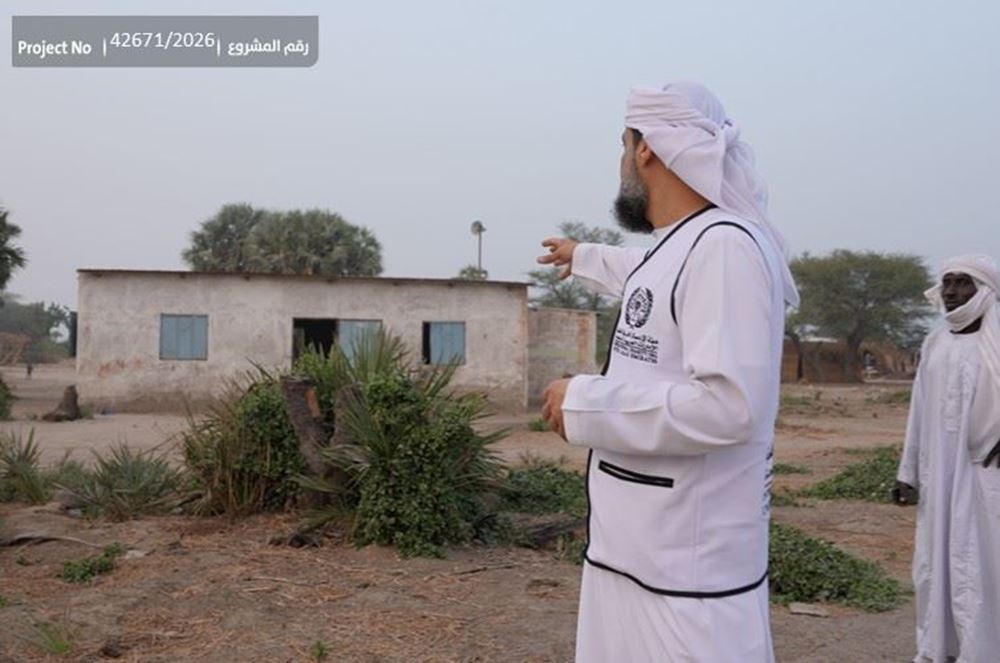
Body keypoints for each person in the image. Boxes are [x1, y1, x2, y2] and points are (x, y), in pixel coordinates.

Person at [537, 81, 798, 663]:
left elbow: (729, 407)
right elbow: (644, 274)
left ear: (646, 149)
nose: (621, 162)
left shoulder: (725, 247)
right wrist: (581, 255)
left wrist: (582, 400)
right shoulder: (678, 245)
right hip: (633, 561)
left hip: (690, 586)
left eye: (623, 145)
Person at [894, 254, 1000, 663]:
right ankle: (942, 647)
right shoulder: (934, 342)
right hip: (939, 473)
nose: (952, 292)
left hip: (986, 477)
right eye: (947, 283)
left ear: (985, 290)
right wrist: (908, 473)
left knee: (984, 560)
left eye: (963, 283)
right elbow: (918, 412)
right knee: (936, 561)